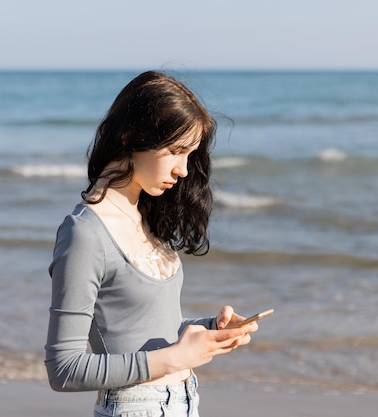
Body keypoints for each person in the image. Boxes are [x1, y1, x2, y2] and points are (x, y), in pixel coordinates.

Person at [45, 70, 258, 417]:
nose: (184, 170)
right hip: (135, 407)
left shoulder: (146, 215)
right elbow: (64, 368)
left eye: (189, 154)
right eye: (176, 151)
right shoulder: (84, 233)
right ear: (131, 137)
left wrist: (208, 330)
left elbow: (144, 328)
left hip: (184, 401)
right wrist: (176, 357)